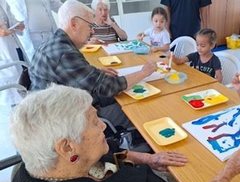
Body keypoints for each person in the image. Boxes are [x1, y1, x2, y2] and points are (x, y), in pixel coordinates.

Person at [9, 84, 240, 182]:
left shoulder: (43, 168)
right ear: (67, 147)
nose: (104, 126)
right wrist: (226, 174)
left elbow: (105, 162)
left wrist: (148, 158)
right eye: (94, 122)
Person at [29, 0, 157, 130]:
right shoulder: (65, 54)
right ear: (74, 24)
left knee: (125, 97)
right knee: (140, 109)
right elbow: (108, 87)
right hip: (66, 122)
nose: (92, 32)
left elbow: (73, 75)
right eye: (90, 26)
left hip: (57, 108)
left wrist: (93, 71)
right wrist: (143, 72)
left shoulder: (54, 44)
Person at [0, 1, 27, 106]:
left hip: (15, 46)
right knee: (14, 93)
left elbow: (10, 19)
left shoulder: (3, 2)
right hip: (4, 52)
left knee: (24, 81)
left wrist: (18, 25)